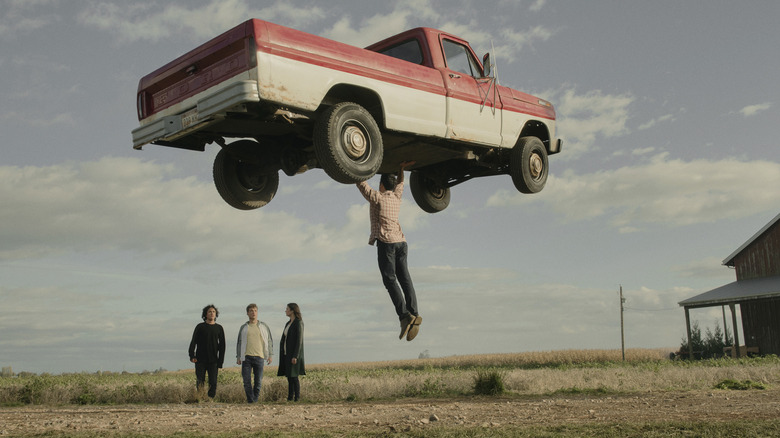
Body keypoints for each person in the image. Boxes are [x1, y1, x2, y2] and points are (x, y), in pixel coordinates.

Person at [356, 161, 422, 341]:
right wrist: (401, 170)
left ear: (382, 185)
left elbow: (362, 184)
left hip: (387, 244)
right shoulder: (397, 197)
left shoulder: (378, 197)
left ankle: (404, 316)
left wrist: (355, 167)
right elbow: (401, 183)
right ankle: (414, 313)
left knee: (389, 279)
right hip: (402, 242)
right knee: (405, 278)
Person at [236, 303, 274, 403]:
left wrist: (270, 355)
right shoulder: (244, 327)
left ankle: (255, 400)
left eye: (255, 311)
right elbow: (239, 342)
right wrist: (238, 356)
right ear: (247, 313)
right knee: (246, 381)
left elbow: (269, 340)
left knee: (258, 382)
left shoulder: (263, 326)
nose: (253, 313)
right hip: (246, 357)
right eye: (251, 311)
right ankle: (251, 400)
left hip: (259, 357)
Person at [188, 304, 226, 399]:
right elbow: (193, 341)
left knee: (213, 382)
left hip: (213, 360)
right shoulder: (200, 327)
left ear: (216, 314)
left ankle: (210, 399)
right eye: (209, 312)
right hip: (200, 359)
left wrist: (220, 361)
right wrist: (192, 355)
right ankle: (199, 397)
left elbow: (222, 346)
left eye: (213, 312)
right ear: (205, 314)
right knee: (200, 380)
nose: (212, 313)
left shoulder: (219, 328)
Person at [277, 303, 305, 402]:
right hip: (286, 353)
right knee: (289, 376)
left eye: (287, 309)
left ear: (292, 310)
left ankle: (297, 398)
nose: (285, 310)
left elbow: (299, 341)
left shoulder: (298, 323)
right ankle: (290, 397)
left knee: (294, 376)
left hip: (294, 354)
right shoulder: (288, 323)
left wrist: (295, 356)